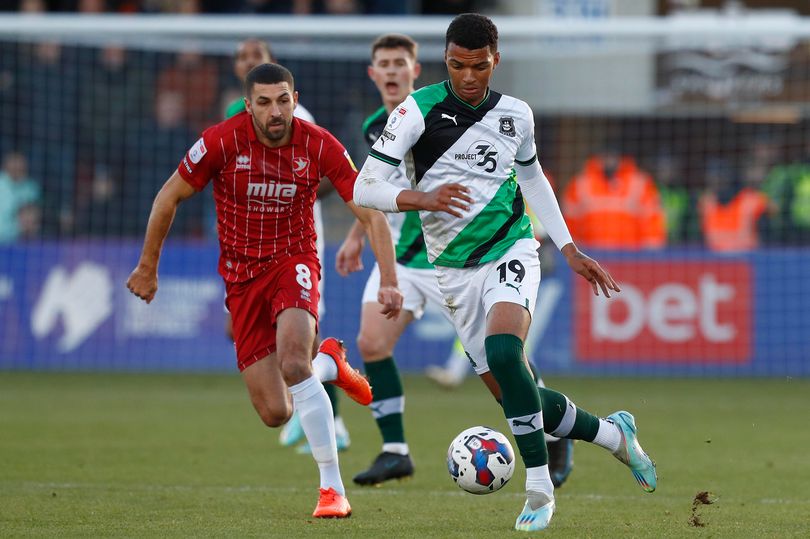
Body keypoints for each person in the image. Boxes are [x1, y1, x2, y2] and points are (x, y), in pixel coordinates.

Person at [353, 14, 657, 532]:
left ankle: (539, 490)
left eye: (479, 66)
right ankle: (614, 435)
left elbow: (533, 180)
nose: (468, 76)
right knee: (517, 395)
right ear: (446, 60)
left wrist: (569, 248)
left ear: (496, 60)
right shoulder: (417, 110)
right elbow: (365, 187)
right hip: (452, 271)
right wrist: (422, 198)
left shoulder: (516, 114)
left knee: (503, 352)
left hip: (510, 248)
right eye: (457, 65)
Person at [126, 63, 404, 519]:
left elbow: (370, 211)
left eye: (282, 101)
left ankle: (331, 490)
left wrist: (389, 280)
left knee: (293, 361)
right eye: (264, 102)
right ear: (248, 105)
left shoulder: (319, 143)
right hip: (241, 279)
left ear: (295, 100)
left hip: (294, 261)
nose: (275, 111)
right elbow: (168, 196)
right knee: (276, 412)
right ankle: (328, 365)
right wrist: (147, 266)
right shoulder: (221, 141)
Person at [341, 34, 575, 485]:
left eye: (399, 63)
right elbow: (374, 188)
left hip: (458, 259)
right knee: (371, 343)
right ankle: (395, 450)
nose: (391, 72)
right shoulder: (377, 126)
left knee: (505, 361)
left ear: (415, 70)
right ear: (373, 74)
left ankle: (554, 429)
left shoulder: (446, 113)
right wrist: (358, 235)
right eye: (383, 64)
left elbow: (521, 177)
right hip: (405, 257)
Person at [224, 38, 349, 453]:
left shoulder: (297, 118)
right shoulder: (234, 115)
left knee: (302, 340)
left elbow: (332, 173)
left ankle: (332, 422)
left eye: (256, 57)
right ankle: (308, 400)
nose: (248, 62)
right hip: (249, 249)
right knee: (272, 348)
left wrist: (294, 192)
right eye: (242, 58)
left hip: (297, 243)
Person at [563, 144, 666, 250]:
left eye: (612, 155)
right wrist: (575, 256)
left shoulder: (639, 183)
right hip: (591, 256)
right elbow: (570, 227)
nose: (609, 160)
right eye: (606, 155)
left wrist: (649, 256)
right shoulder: (581, 184)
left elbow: (653, 227)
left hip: (630, 256)